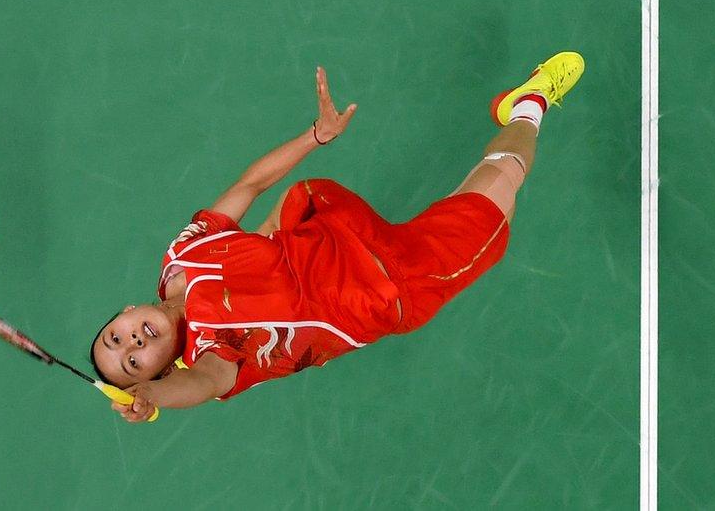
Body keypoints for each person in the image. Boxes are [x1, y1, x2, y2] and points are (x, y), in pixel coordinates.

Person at [90, 52, 585, 422]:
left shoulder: (182, 256)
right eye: (133, 361)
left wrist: (316, 135)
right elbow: (201, 384)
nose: (132, 342)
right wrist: (156, 399)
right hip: (379, 291)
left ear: (128, 309)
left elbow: (249, 185)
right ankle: (523, 109)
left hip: (326, 223)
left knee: (488, 203)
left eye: (117, 336)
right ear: (159, 371)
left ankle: (526, 110)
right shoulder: (213, 353)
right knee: (495, 196)